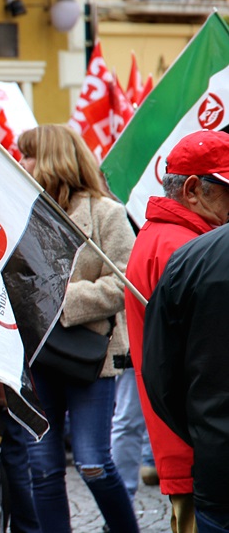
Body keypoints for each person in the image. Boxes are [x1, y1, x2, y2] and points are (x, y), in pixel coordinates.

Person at [16, 125, 139, 533]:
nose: (21, 163)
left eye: (28, 155)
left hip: (91, 356)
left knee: (92, 462)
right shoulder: (21, 211)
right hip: (36, 356)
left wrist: (61, 301)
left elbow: (127, 282)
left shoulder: (107, 212)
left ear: (52, 158)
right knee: (43, 469)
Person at [126, 130, 229, 533]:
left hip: (196, 444)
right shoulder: (178, 246)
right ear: (192, 189)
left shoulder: (171, 239)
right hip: (197, 451)